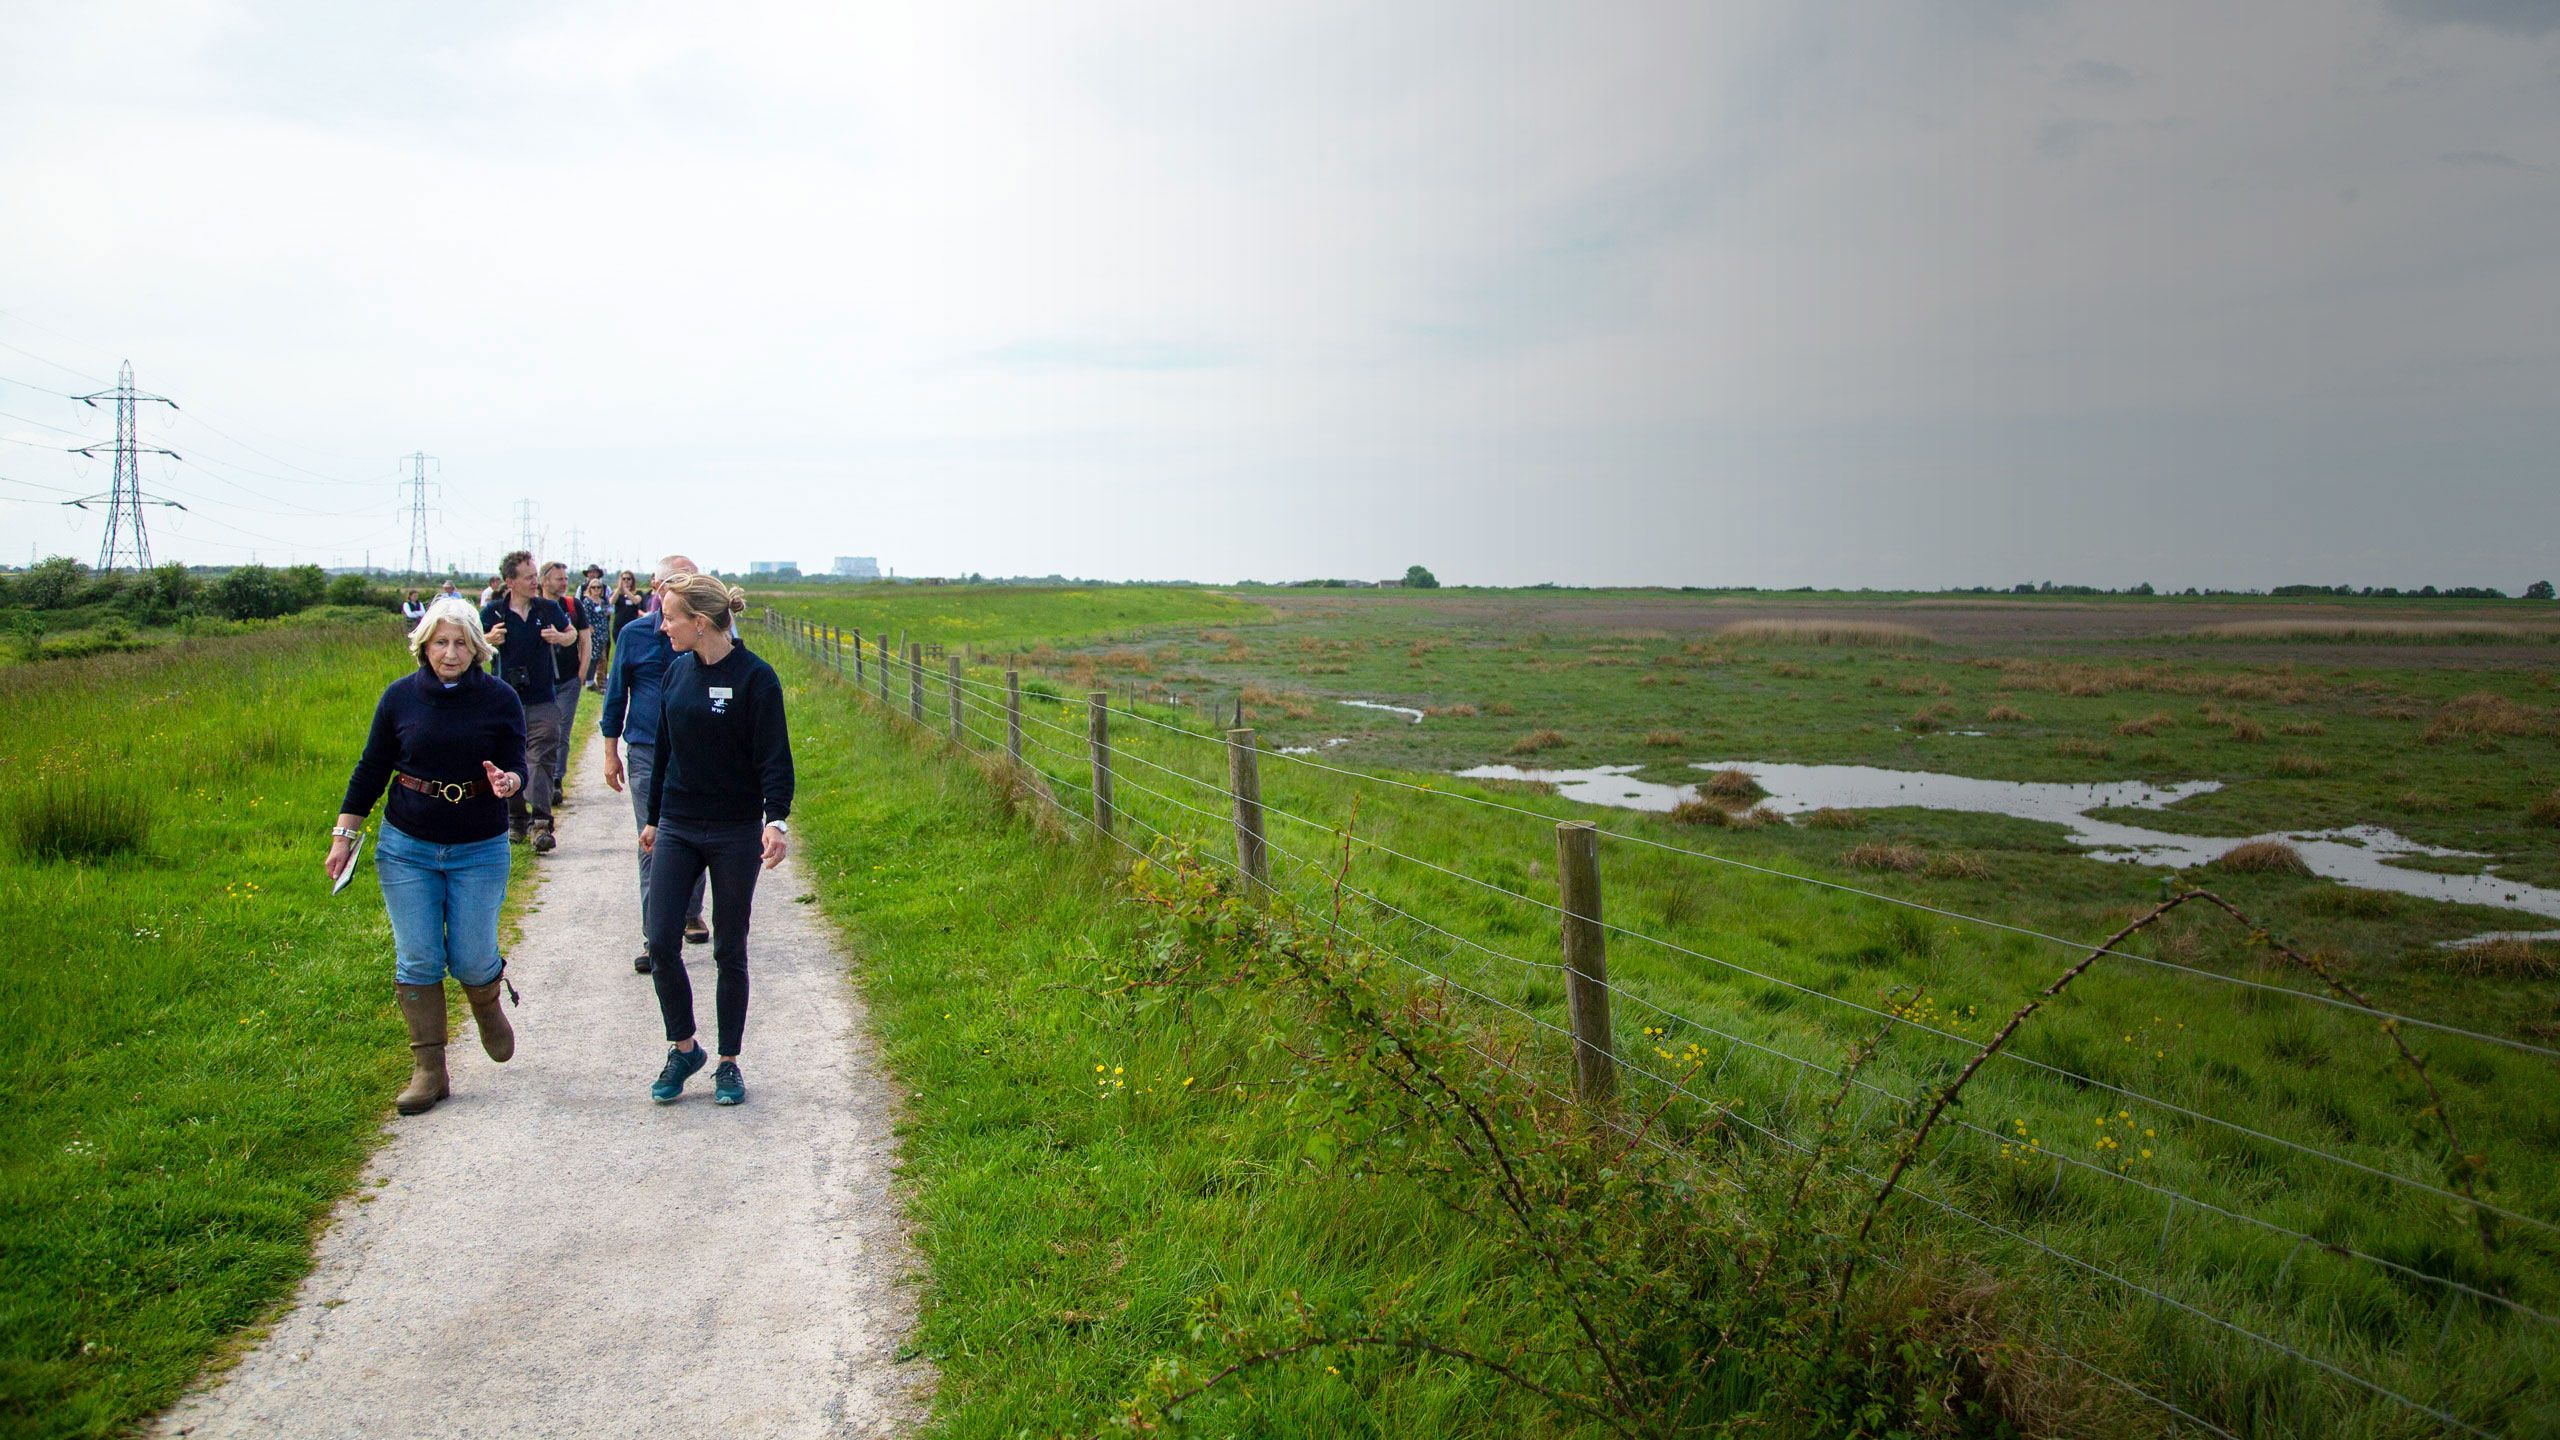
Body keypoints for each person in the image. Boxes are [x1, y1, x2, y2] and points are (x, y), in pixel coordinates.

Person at [327, 597, 529, 1116]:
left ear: (478, 646)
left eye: (462, 642)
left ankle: (485, 1005)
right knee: (417, 956)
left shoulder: (500, 698)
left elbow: (514, 763)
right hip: (407, 846)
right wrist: (343, 834)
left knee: (470, 956)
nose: (451, 652)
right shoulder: (400, 698)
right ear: (423, 644)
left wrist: (510, 782)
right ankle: (429, 1069)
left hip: (479, 848)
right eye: (441, 641)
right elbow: (371, 767)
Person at [639, 572, 792, 1106]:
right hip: (679, 824)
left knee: (730, 945)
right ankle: (684, 1049)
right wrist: (654, 817)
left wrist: (776, 821)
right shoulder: (677, 673)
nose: (663, 626)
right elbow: (664, 752)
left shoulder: (756, 679)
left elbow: (775, 760)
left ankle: (728, 1062)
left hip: (732, 830)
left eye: (670, 617)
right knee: (660, 939)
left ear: (699, 623)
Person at [601, 556, 709, 972]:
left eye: (690, 582)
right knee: (655, 838)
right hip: (646, 747)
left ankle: (689, 911)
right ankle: (655, 937)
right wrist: (610, 752)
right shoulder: (633, 635)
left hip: (695, 750)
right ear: (655, 587)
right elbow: (615, 695)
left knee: (698, 831)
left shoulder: (707, 634)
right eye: (673, 582)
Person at [480, 550, 576, 851]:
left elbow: (571, 633)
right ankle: (516, 819)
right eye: (529, 577)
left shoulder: (547, 609)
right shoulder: (493, 613)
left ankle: (542, 824)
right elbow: (472, 647)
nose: (536, 581)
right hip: (504, 701)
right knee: (510, 758)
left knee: (541, 758)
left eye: (536, 576)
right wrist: (487, 640)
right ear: (510, 581)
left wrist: (560, 639)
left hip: (543, 697)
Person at [538, 561, 591, 808]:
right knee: (541, 732)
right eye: (559, 578)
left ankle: (557, 779)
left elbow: (585, 639)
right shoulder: (535, 607)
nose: (564, 583)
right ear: (544, 580)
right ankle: (542, 780)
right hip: (540, 681)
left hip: (568, 678)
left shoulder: (573, 605)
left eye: (565, 578)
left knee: (561, 729)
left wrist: (582, 672)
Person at [581, 578, 612, 692]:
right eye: (593, 587)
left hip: (603, 633)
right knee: (592, 658)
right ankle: (589, 681)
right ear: (589, 588)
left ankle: (601, 682)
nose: (596, 589)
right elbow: (585, 618)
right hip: (593, 635)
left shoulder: (603, 601)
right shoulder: (587, 601)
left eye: (598, 587)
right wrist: (590, 631)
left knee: (602, 659)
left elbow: (607, 613)